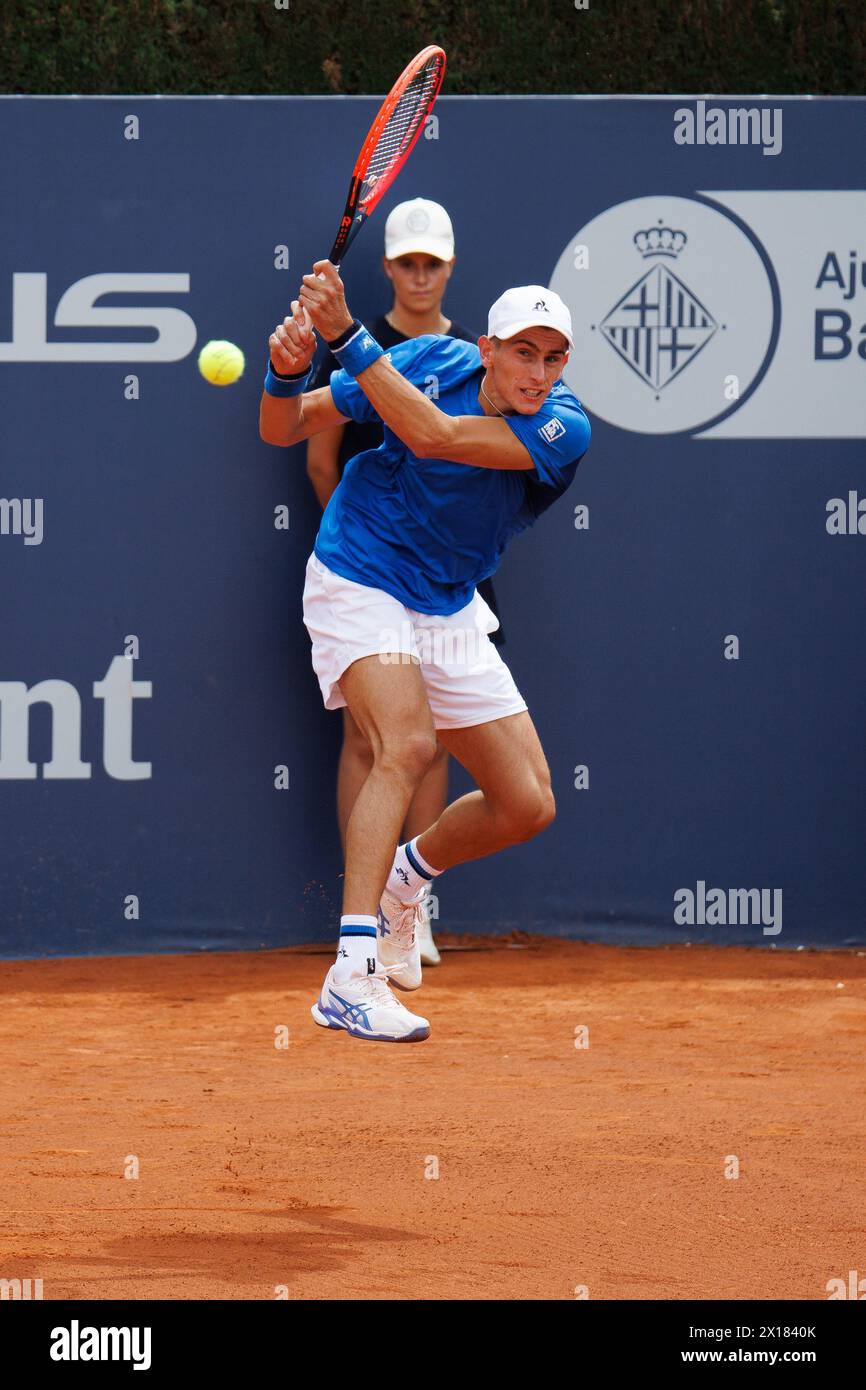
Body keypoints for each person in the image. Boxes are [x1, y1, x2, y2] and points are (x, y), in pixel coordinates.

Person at [260, 262, 590, 1043]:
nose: (537, 373)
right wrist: (283, 370)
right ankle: (350, 975)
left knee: (528, 802)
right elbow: (284, 427)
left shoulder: (563, 426)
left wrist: (343, 333)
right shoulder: (424, 360)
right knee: (405, 744)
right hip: (360, 570)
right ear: (487, 349)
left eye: (552, 358)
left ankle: (409, 877)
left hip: (444, 600)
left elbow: (433, 435)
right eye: (522, 354)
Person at [305, 197, 505, 968]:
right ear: (387, 268)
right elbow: (319, 459)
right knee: (377, 736)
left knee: (437, 737)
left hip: (455, 585)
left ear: (449, 269)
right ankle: (362, 916)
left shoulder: (491, 361)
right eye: (407, 262)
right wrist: (372, 562)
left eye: (433, 263)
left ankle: (409, 905)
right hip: (365, 573)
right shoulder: (352, 346)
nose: (420, 275)